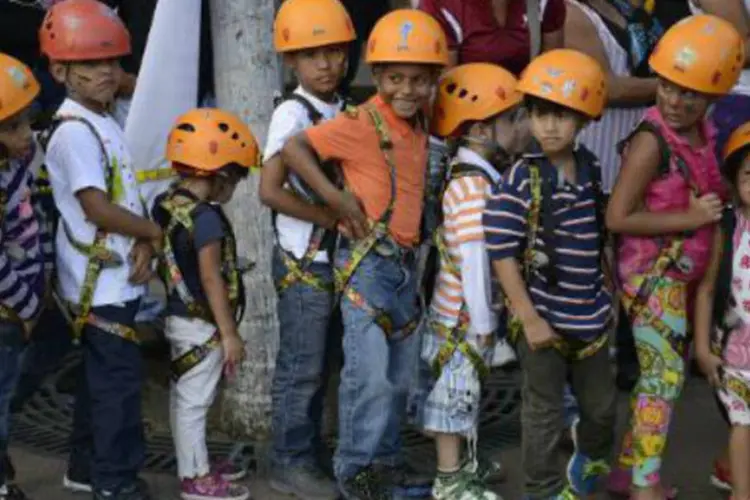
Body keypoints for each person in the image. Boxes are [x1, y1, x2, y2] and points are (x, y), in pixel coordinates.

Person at [281, 9, 447, 498]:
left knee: (399, 380)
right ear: (377, 76)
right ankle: (356, 475)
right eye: (396, 78)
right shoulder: (359, 123)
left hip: (406, 271)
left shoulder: (420, 128)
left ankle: (388, 465)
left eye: (419, 79)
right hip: (367, 269)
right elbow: (293, 150)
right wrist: (336, 200)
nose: (408, 90)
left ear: (434, 79)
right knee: (368, 379)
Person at [605, 14, 743, 500]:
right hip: (650, 277)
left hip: (684, 275)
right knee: (662, 380)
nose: (676, 100)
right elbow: (618, 218)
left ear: (713, 97)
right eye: (668, 86)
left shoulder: (702, 133)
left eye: (691, 93)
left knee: (660, 376)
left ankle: (626, 472)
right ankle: (645, 486)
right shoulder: (651, 141)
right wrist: (689, 217)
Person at [39, 1, 163, 498]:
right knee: (117, 389)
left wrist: (141, 240)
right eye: (91, 64)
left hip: (113, 279)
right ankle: (115, 481)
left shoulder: (102, 117)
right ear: (60, 70)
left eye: (113, 61)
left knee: (99, 383)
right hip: (99, 286)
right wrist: (151, 233)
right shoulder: (74, 132)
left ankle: (87, 468)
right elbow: (97, 207)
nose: (106, 73)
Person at [484, 49, 616, 499]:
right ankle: (541, 489)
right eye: (540, 114)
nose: (550, 126)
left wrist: (608, 293)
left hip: (592, 317)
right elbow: (500, 250)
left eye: (562, 115)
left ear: (584, 119)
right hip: (540, 320)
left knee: (601, 408)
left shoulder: (591, 170)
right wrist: (529, 317)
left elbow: (596, 238)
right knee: (542, 413)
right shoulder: (522, 177)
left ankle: (590, 454)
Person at [416, 62, 528, 500]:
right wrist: (485, 324)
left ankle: (463, 466)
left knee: (464, 395)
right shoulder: (473, 189)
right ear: (481, 130)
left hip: (464, 313)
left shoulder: (473, 178)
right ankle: (448, 481)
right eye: (513, 119)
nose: (523, 128)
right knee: (454, 397)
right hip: (464, 316)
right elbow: (475, 261)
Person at [259, 0, 355, 498]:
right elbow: (270, 190)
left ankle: (311, 452)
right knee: (302, 367)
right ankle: (289, 460)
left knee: (324, 364)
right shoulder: (293, 112)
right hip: (304, 261)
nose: (325, 64)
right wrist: (330, 216)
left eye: (334, 52)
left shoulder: (339, 108)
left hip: (331, 260)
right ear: (291, 61)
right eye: (311, 54)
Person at [152, 108, 256, 500]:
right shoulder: (207, 219)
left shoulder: (166, 203)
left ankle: (194, 465)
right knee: (196, 401)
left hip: (179, 317)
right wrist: (229, 334)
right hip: (202, 325)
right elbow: (211, 277)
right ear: (219, 174)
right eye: (236, 177)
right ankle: (195, 478)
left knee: (185, 398)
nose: (235, 188)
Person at [0, 52, 54, 500]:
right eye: (12, 127)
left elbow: (37, 223)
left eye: (26, 122)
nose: (26, 136)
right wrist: (26, 304)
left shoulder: (18, 166)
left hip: (21, 305)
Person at [695, 120, 750, 500]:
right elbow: (707, 289)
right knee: (743, 423)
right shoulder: (728, 229)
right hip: (737, 348)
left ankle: (727, 468)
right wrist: (702, 348)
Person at [418, 0, 566, 72]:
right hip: (469, 117)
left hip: (529, 115)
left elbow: (552, 71)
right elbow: (445, 90)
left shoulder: (544, 3)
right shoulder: (441, 4)